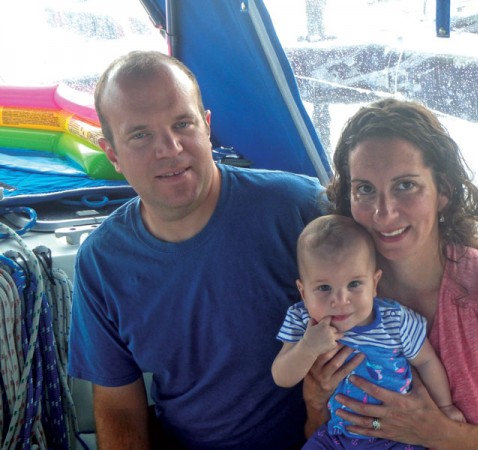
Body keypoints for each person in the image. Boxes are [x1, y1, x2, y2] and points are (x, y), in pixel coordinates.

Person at [67, 50, 325, 449]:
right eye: (140, 135)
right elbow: (119, 407)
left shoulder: (302, 209)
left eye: (182, 123)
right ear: (113, 154)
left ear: (206, 127)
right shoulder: (101, 264)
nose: (169, 148)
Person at [302, 98, 478, 449]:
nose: (384, 213)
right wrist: (313, 403)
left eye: (405, 185)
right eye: (365, 189)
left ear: (443, 191)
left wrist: (441, 434)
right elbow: (318, 434)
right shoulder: (333, 295)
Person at [272, 214, 464, 449]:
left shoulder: (395, 320)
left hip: (397, 437)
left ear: (374, 283)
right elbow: (282, 376)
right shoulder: (303, 321)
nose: (341, 300)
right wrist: (307, 347)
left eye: (354, 284)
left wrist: (444, 408)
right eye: (324, 287)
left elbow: (426, 361)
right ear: (303, 292)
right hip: (337, 437)